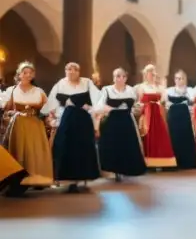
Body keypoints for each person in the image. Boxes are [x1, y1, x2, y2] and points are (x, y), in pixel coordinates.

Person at [43, 62, 101, 191]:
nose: (71, 71)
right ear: (65, 71)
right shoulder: (60, 84)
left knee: (83, 146)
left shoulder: (86, 82)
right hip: (67, 118)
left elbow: (99, 98)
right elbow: (52, 102)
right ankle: (69, 180)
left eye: (75, 69)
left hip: (83, 119)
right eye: (68, 69)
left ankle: (83, 176)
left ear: (79, 72)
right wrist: (52, 116)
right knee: (65, 146)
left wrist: (91, 108)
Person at [0, 61, 53, 192]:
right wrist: (13, 112)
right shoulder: (12, 91)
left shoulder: (38, 91)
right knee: (19, 151)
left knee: (34, 152)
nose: (28, 75)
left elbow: (49, 109)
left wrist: (46, 116)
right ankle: (18, 180)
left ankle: (36, 179)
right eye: (25, 72)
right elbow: (5, 109)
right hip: (17, 125)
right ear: (19, 74)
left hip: (35, 126)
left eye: (30, 73)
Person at [96, 68, 147, 181]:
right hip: (112, 120)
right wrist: (111, 109)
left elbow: (135, 105)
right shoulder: (107, 89)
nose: (120, 78)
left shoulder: (130, 90)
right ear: (113, 78)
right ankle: (114, 170)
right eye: (117, 76)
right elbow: (100, 105)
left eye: (122, 76)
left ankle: (126, 168)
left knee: (127, 144)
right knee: (113, 144)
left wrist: (137, 108)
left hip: (127, 120)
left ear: (126, 78)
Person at [135, 64, 176, 169]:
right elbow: (139, 102)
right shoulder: (141, 87)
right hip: (148, 113)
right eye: (149, 73)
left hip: (158, 113)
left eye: (153, 73)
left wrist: (162, 105)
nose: (151, 75)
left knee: (161, 134)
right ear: (145, 74)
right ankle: (150, 162)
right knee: (149, 135)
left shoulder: (159, 87)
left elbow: (164, 100)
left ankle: (164, 162)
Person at [166, 70, 196, 170]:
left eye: (181, 78)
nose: (179, 80)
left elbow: (192, 101)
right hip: (173, 115)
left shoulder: (190, 90)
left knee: (186, 136)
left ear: (185, 79)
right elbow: (166, 103)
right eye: (177, 78)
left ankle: (187, 161)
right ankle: (176, 162)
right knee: (174, 137)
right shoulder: (169, 90)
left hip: (184, 115)